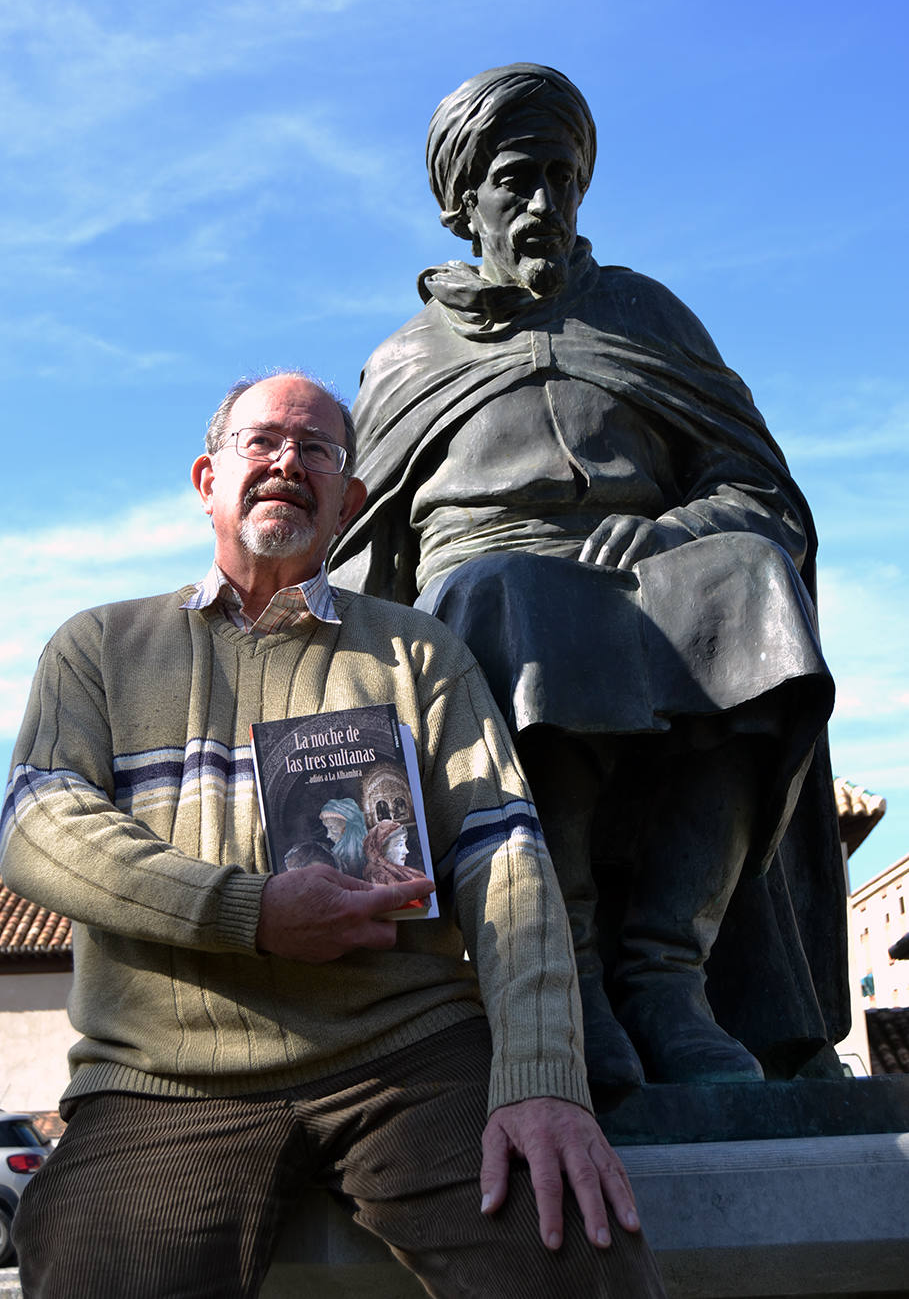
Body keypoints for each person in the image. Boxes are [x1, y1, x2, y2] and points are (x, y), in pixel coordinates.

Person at [0, 371, 665, 1299]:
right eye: (262, 441)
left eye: (318, 450)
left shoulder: (420, 652)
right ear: (206, 479)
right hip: (163, 1080)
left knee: (573, 1255)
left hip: (411, 1056)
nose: (288, 463)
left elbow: (505, 859)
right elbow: (37, 825)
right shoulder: (97, 647)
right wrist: (251, 910)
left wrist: (543, 1075)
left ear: (349, 501)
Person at [330, 63, 848, 1093]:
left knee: (753, 580)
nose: (545, 204)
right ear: (463, 200)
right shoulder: (406, 360)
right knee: (504, 597)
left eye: (565, 181)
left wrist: (682, 530)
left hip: (657, 578)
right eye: (520, 180)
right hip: (484, 592)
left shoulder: (646, 316)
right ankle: (567, 975)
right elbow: (363, 560)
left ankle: (669, 977)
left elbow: (757, 484)